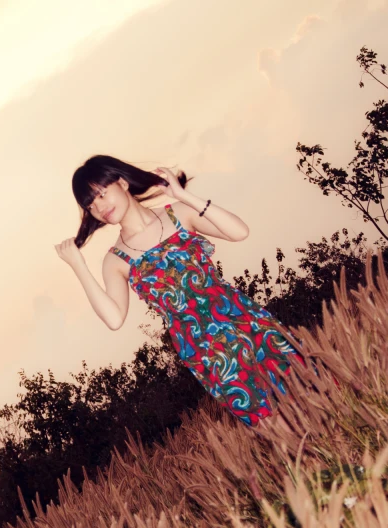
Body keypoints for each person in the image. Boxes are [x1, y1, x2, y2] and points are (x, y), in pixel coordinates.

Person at [54, 155, 306, 429]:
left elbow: (239, 232)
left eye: (102, 194)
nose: (99, 207)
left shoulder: (179, 214)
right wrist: (79, 267)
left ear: (123, 183)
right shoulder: (116, 260)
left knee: (309, 388)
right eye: (90, 205)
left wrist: (184, 196)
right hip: (207, 350)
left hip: (245, 319)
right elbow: (114, 320)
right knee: (272, 425)